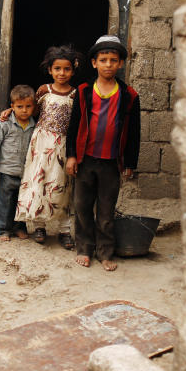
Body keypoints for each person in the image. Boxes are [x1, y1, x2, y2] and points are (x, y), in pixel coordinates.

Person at [65, 35, 140, 271]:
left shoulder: (129, 95)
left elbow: (134, 131)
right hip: (86, 161)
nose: (108, 64)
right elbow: (74, 125)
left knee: (106, 211)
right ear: (94, 63)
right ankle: (84, 248)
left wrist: (130, 162)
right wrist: (71, 156)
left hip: (111, 162)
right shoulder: (84, 91)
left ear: (120, 64)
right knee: (83, 206)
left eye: (113, 60)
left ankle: (105, 251)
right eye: (103, 59)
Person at [13, 45, 81, 246]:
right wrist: (10, 111)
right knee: (39, 183)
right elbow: (28, 110)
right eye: (57, 68)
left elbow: (77, 123)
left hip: (63, 146)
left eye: (66, 69)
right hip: (41, 144)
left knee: (62, 186)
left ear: (73, 71)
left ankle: (65, 230)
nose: (62, 73)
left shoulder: (76, 95)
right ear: (50, 70)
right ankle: (40, 227)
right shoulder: (44, 90)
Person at [0, 84, 36, 242]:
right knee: (6, 200)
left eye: (28, 106)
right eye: (19, 106)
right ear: (12, 107)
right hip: (8, 170)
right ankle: (3, 229)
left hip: (25, 171)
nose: (24, 110)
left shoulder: (34, 125)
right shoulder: (5, 123)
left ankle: (19, 227)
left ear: (33, 107)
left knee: (22, 200)